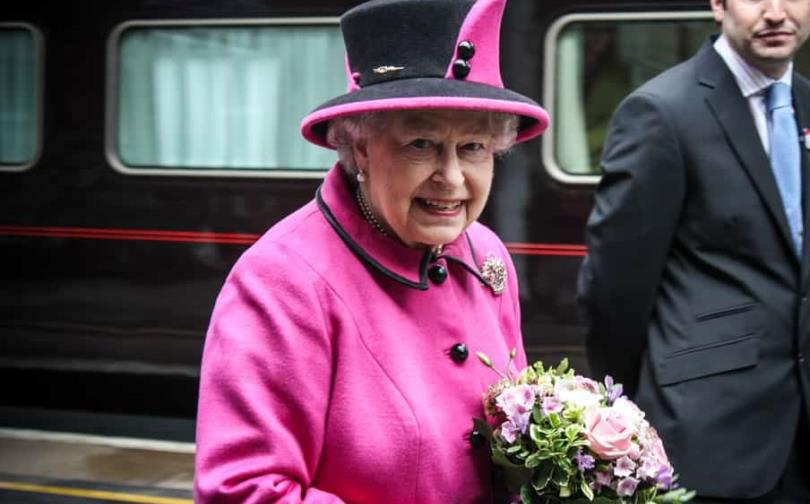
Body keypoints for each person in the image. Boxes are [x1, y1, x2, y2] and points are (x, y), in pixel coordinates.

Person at [193, 0, 549, 502]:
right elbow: (244, 490)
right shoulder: (282, 280)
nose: (452, 178)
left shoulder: (486, 253)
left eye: (473, 148)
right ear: (361, 148)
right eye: (421, 144)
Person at [577, 0, 810, 502]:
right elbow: (613, 287)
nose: (776, 12)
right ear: (718, 4)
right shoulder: (662, 110)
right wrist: (639, 405)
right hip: (703, 433)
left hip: (802, 430)